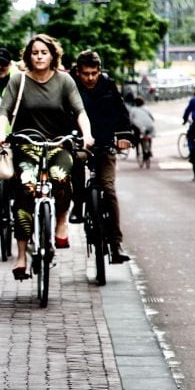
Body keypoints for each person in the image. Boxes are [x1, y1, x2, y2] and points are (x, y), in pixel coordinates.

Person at [0, 34, 93, 280]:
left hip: (58, 144)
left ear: (52, 56)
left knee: (61, 177)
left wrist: (87, 134)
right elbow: (4, 112)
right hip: (26, 145)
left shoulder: (65, 81)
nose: (39, 56)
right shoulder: (18, 81)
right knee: (25, 190)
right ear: (28, 55)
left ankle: (61, 220)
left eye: (44, 52)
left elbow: (80, 111)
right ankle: (21, 256)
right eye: (35, 52)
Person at [72, 50, 132, 263]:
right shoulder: (70, 85)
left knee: (109, 189)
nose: (90, 78)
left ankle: (116, 245)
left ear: (99, 71)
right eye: (85, 73)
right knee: (76, 164)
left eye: (94, 73)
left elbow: (121, 111)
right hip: (79, 142)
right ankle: (78, 206)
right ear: (78, 72)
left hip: (105, 142)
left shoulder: (108, 85)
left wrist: (124, 135)